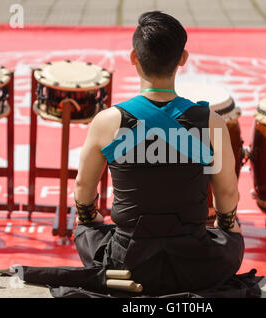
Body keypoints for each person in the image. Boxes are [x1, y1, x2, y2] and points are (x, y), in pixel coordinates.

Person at [74, 11, 244, 295]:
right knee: (230, 234)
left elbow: (83, 188)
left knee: (86, 229)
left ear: (133, 57)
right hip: (197, 266)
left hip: (125, 266)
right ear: (183, 59)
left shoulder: (107, 121)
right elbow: (226, 196)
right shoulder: (211, 122)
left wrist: (89, 219)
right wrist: (227, 228)